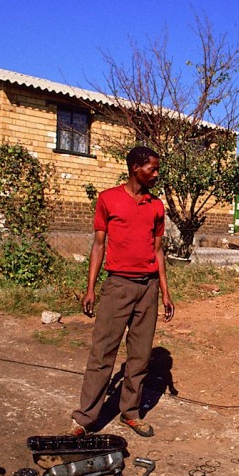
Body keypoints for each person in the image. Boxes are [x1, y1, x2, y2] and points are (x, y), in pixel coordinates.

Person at [69, 146, 175, 438]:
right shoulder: (108, 200)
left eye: (157, 169)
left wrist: (165, 293)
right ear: (135, 168)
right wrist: (90, 288)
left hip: (148, 288)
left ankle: (130, 413)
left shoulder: (156, 206)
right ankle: (86, 418)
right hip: (117, 286)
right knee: (102, 353)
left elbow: (158, 251)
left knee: (140, 356)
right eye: (152, 169)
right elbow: (98, 246)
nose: (156, 174)